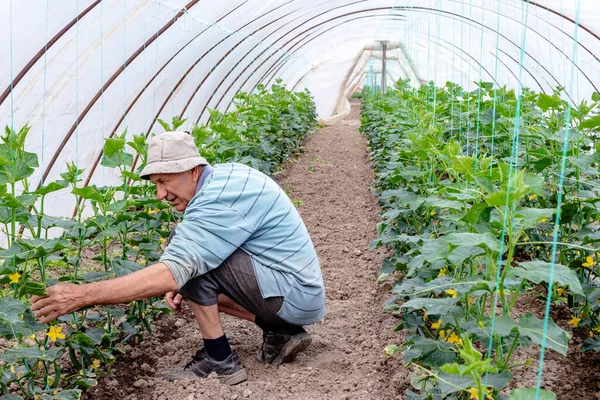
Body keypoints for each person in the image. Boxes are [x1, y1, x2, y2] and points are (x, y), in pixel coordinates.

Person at [31, 131, 326, 385]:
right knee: (188, 266)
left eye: (165, 180)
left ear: (193, 170)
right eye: (155, 184)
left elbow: (172, 271)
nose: (160, 194)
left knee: (186, 262)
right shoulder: (224, 178)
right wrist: (186, 284)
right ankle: (280, 332)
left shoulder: (219, 196)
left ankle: (220, 359)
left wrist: (81, 295)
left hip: (294, 296)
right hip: (295, 292)